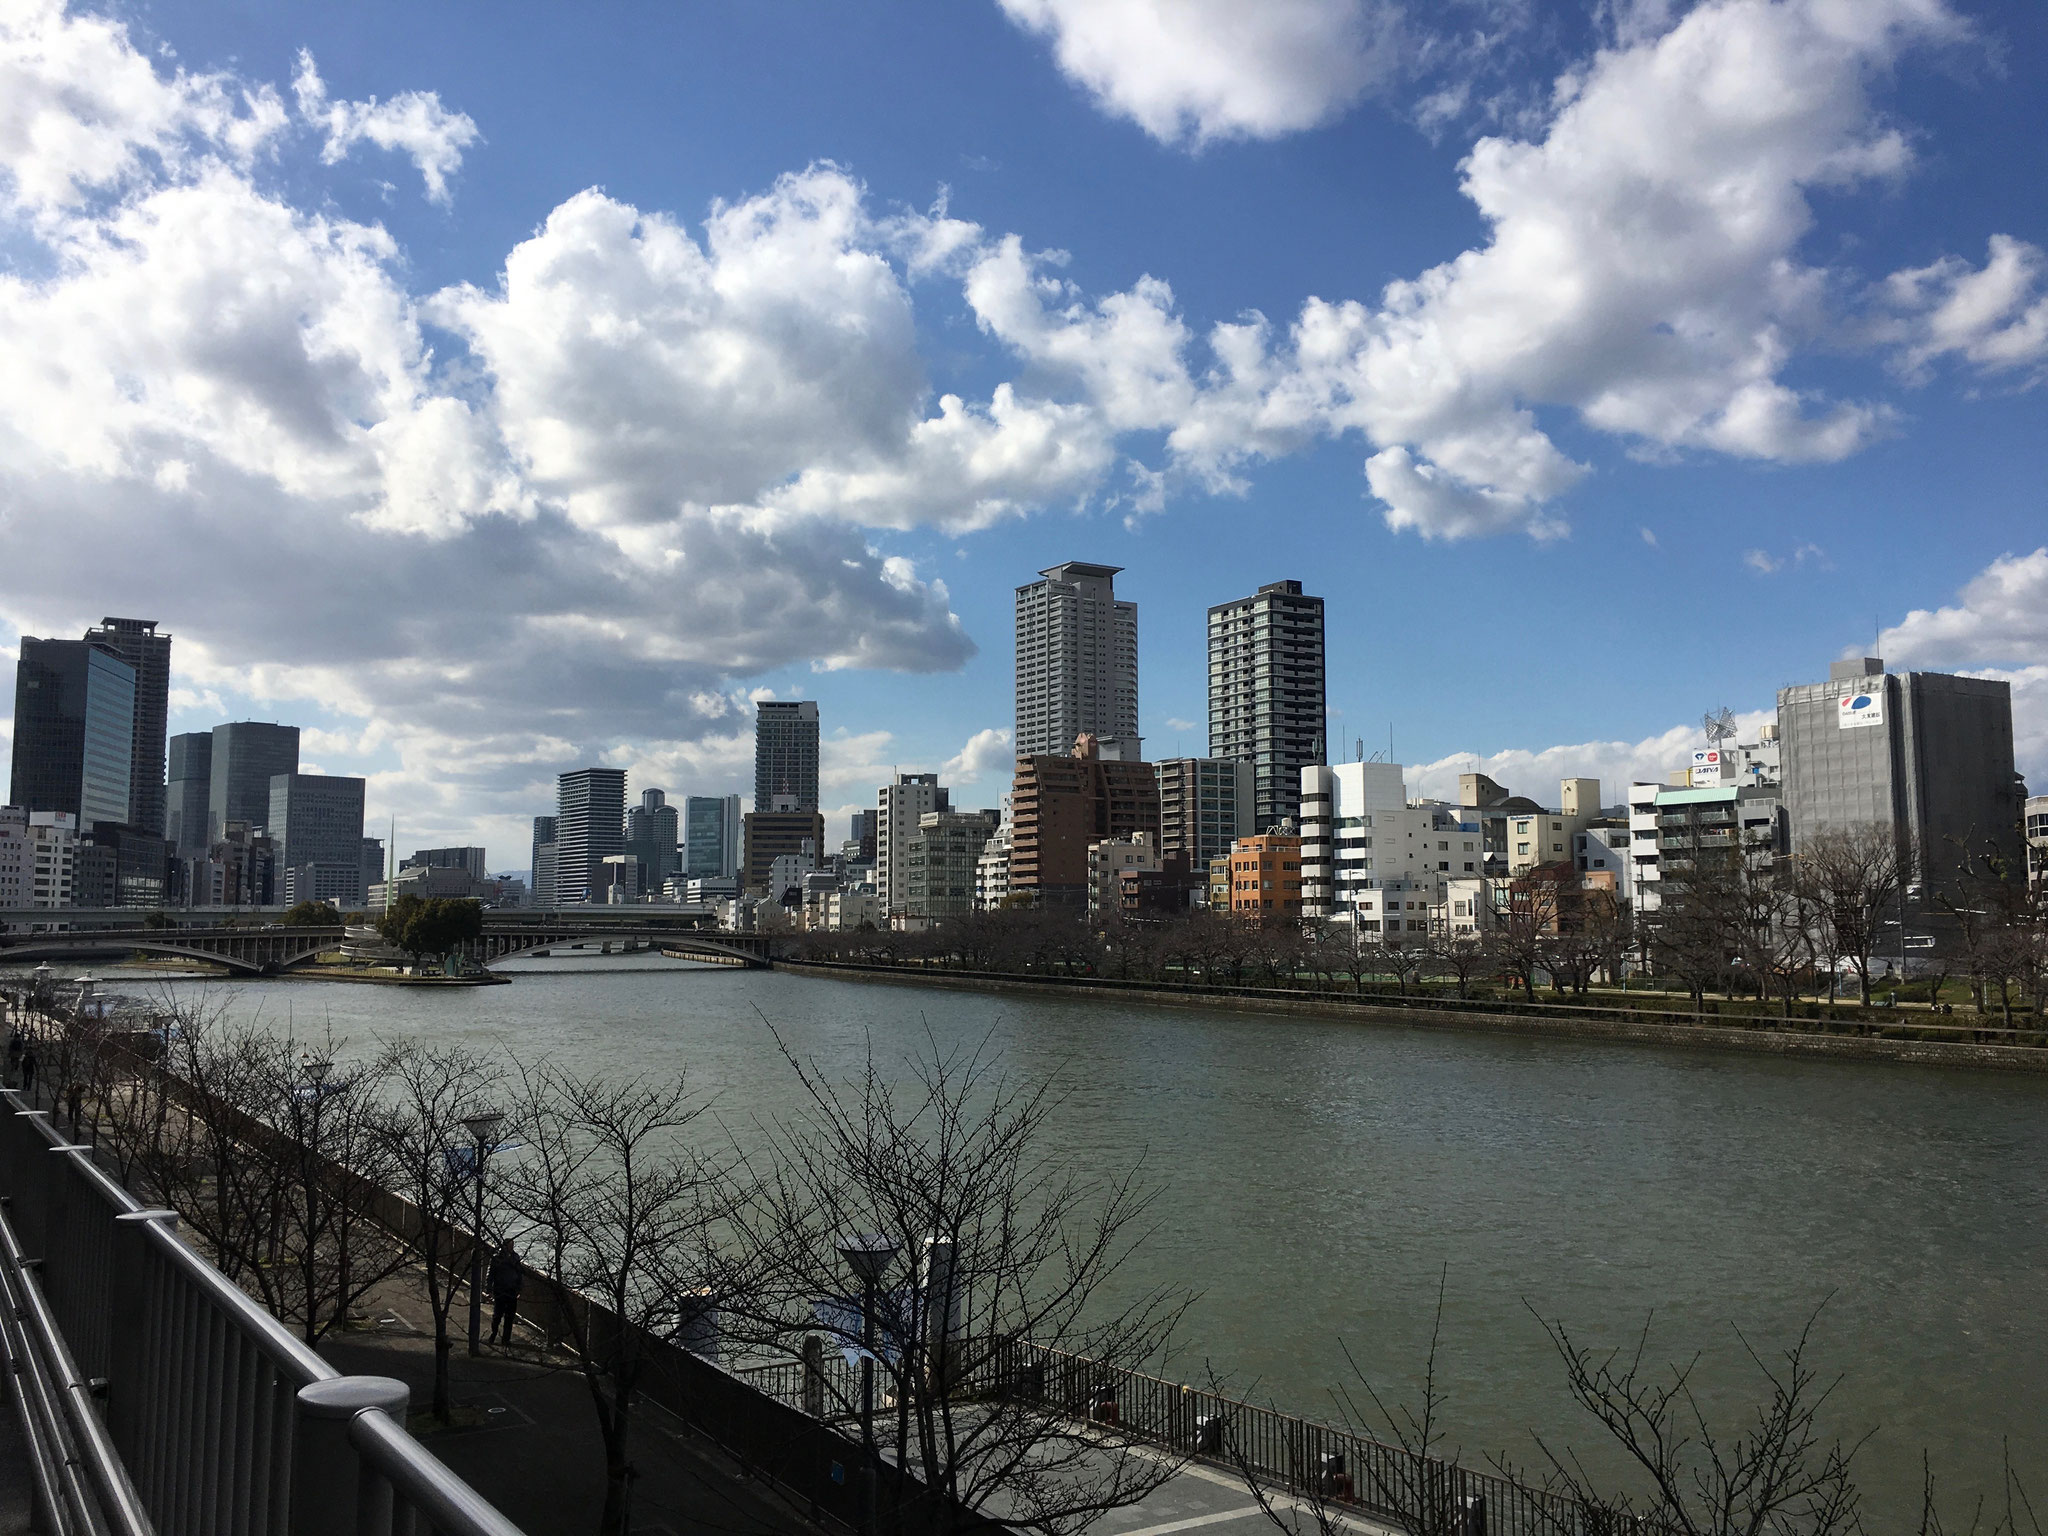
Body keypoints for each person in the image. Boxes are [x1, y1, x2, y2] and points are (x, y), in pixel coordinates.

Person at [487, 1239, 523, 1345]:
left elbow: (519, 1274)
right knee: (497, 1315)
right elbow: (491, 1273)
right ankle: (493, 1334)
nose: (511, 1247)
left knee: (509, 1316)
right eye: (509, 1245)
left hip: (512, 1290)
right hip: (500, 1289)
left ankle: (506, 1339)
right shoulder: (497, 1258)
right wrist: (488, 1288)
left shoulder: (515, 1257)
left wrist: (519, 1287)